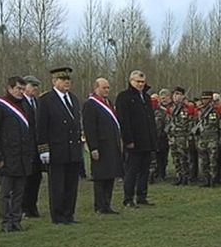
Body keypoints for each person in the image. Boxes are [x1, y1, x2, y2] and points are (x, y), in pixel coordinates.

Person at [0, 76, 35, 232]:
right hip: (6, 158)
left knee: (19, 192)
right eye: (18, 89)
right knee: (6, 192)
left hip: (22, 157)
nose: (21, 92)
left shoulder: (25, 106)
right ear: (10, 88)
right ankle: (5, 221)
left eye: (22, 89)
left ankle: (16, 219)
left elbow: (30, 131)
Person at [37, 66, 84, 224]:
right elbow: (41, 126)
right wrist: (43, 149)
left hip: (73, 149)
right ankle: (58, 216)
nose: (66, 83)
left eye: (68, 80)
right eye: (63, 80)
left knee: (71, 184)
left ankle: (69, 214)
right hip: (57, 149)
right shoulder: (46, 100)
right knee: (57, 185)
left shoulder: (74, 98)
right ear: (54, 81)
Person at [116, 70, 158, 207]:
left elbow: (150, 120)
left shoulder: (146, 97)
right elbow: (124, 120)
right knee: (132, 171)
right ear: (131, 81)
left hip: (147, 141)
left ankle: (142, 196)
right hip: (134, 142)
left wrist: (153, 140)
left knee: (144, 171)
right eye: (137, 82)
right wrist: (128, 140)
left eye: (142, 82)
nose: (140, 84)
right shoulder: (124, 97)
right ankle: (128, 198)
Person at [82, 78, 124, 214]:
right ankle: (99, 205)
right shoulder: (91, 104)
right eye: (104, 88)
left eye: (108, 88)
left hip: (112, 145)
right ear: (96, 88)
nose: (107, 90)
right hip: (100, 146)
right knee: (100, 176)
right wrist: (93, 147)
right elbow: (90, 128)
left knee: (110, 175)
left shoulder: (109, 103)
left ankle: (107, 204)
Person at [21, 75, 43, 218]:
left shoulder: (37, 102)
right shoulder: (21, 103)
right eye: (32, 86)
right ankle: (24, 207)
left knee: (36, 178)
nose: (35, 89)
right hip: (26, 147)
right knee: (26, 179)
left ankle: (32, 206)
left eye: (36, 86)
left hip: (37, 147)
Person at [165, 86, 194, 186]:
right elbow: (168, 120)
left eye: (178, 94)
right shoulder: (170, 107)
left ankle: (186, 177)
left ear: (182, 96)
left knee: (184, 157)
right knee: (175, 158)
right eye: (174, 94)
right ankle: (179, 176)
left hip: (182, 136)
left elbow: (190, 123)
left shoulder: (187, 108)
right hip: (173, 136)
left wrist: (188, 136)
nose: (176, 97)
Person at [195, 91, 221, 187]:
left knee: (213, 162)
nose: (204, 101)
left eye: (207, 99)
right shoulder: (199, 111)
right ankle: (206, 180)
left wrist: (219, 141)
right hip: (202, 139)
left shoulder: (216, 111)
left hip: (213, 139)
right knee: (203, 162)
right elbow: (195, 126)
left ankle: (213, 180)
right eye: (203, 99)